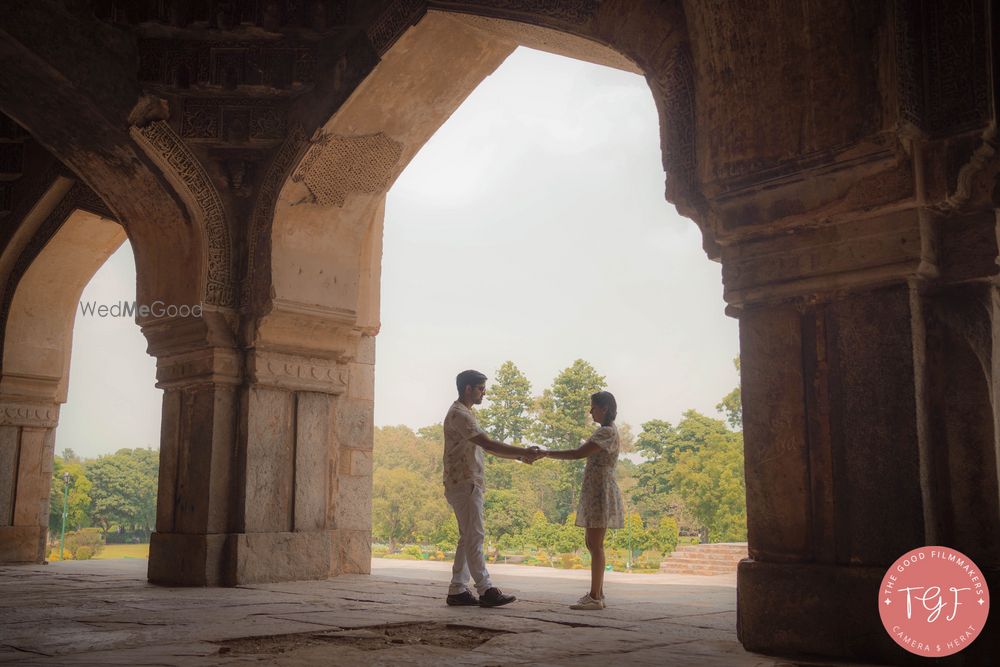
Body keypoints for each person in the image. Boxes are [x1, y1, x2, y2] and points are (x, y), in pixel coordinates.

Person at [443, 369, 542, 607]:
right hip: (464, 482)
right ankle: (486, 589)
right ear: (468, 388)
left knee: (467, 537)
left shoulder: (464, 413)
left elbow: (486, 447)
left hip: (463, 481)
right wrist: (523, 451)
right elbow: (487, 443)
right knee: (474, 536)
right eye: (480, 388)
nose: (484, 393)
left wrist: (520, 457)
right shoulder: (460, 414)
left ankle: (457, 589)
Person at [535, 391, 623, 610]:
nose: (590, 411)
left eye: (593, 407)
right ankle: (597, 594)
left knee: (595, 544)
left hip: (600, 491)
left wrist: (546, 453)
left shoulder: (606, 432)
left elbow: (577, 453)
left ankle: (595, 596)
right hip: (597, 489)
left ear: (603, 408)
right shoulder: (606, 431)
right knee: (592, 543)